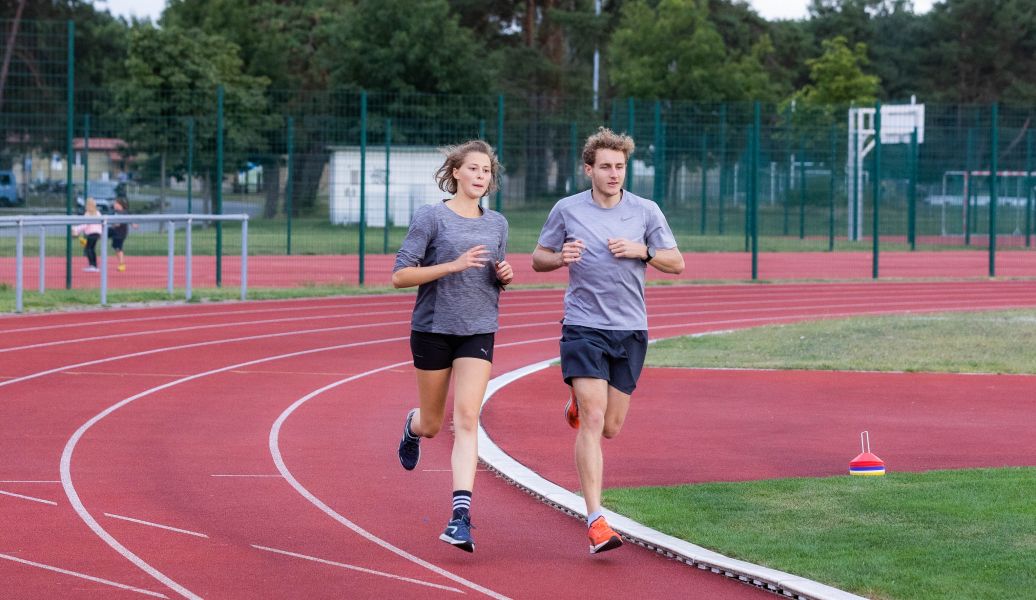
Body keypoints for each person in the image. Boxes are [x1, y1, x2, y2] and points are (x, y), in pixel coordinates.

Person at [532, 127, 684, 554]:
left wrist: (643, 252)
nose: (614, 174)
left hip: (630, 328)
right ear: (589, 169)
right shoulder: (567, 209)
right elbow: (538, 258)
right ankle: (596, 518)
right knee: (595, 421)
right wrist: (559, 256)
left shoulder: (646, 211)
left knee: (611, 427)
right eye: (605, 167)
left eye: (620, 166)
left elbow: (677, 262)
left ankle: (580, 402)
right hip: (583, 326)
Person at [393, 140, 513, 553]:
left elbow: (494, 274)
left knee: (466, 418)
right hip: (433, 329)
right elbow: (400, 276)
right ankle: (412, 426)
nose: (481, 176)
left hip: (478, 328)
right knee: (431, 423)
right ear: (456, 173)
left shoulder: (497, 223)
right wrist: (453, 266)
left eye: (487, 172)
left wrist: (505, 275)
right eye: (474, 169)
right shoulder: (431, 217)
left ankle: (460, 517)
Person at [73, 197, 103, 272]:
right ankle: (94, 265)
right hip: (97, 234)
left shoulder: (88, 214)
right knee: (92, 249)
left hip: (91, 234)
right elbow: (101, 224)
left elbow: (84, 225)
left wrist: (75, 229)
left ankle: (92, 265)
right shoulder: (98, 213)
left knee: (88, 249)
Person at [108, 196, 137, 272]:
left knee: (118, 248)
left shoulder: (124, 212)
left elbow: (129, 220)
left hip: (120, 234)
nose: (114, 205)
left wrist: (133, 224)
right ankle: (89, 240)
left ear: (119, 204)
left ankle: (122, 264)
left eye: (115, 203)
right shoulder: (114, 212)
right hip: (114, 231)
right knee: (103, 233)